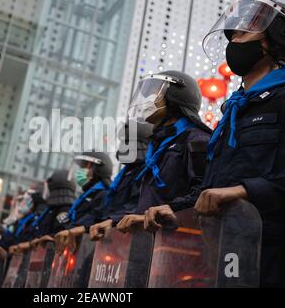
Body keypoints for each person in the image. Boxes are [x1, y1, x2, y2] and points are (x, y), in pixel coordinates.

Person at [145, 0, 285, 287]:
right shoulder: (234, 110)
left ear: (274, 40)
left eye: (244, 33)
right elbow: (215, 184)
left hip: (275, 257)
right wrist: (177, 207)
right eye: (231, 34)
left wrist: (245, 191)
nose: (234, 40)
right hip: (221, 249)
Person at [90, 70, 212, 239]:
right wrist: (114, 221)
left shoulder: (196, 140)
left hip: (177, 245)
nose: (146, 100)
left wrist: (170, 210)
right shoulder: (158, 148)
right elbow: (147, 203)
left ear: (174, 97)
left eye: (154, 94)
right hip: (148, 244)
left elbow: (204, 192)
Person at [54, 151, 113, 253]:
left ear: (98, 169)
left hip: (88, 251)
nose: (81, 170)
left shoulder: (104, 194)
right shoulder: (86, 195)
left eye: (87, 166)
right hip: (75, 249)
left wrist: (72, 230)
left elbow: (94, 217)